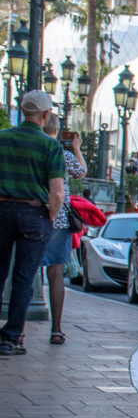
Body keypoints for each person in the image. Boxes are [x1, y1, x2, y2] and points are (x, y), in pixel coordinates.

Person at [0, 91, 66, 355]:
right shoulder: (50, 146)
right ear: (46, 114)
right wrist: (50, 216)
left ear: (23, 111)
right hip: (33, 214)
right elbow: (58, 191)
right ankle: (11, 337)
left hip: (1, 209)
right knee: (24, 278)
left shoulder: (2, 138)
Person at [39, 115, 86, 345]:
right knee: (56, 275)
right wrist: (77, 148)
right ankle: (56, 329)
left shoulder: (35, 149)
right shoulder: (63, 153)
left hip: (34, 216)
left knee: (25, 272)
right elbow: (81, 171)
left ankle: (17, 331)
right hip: (58, 220)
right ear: (57, 130)